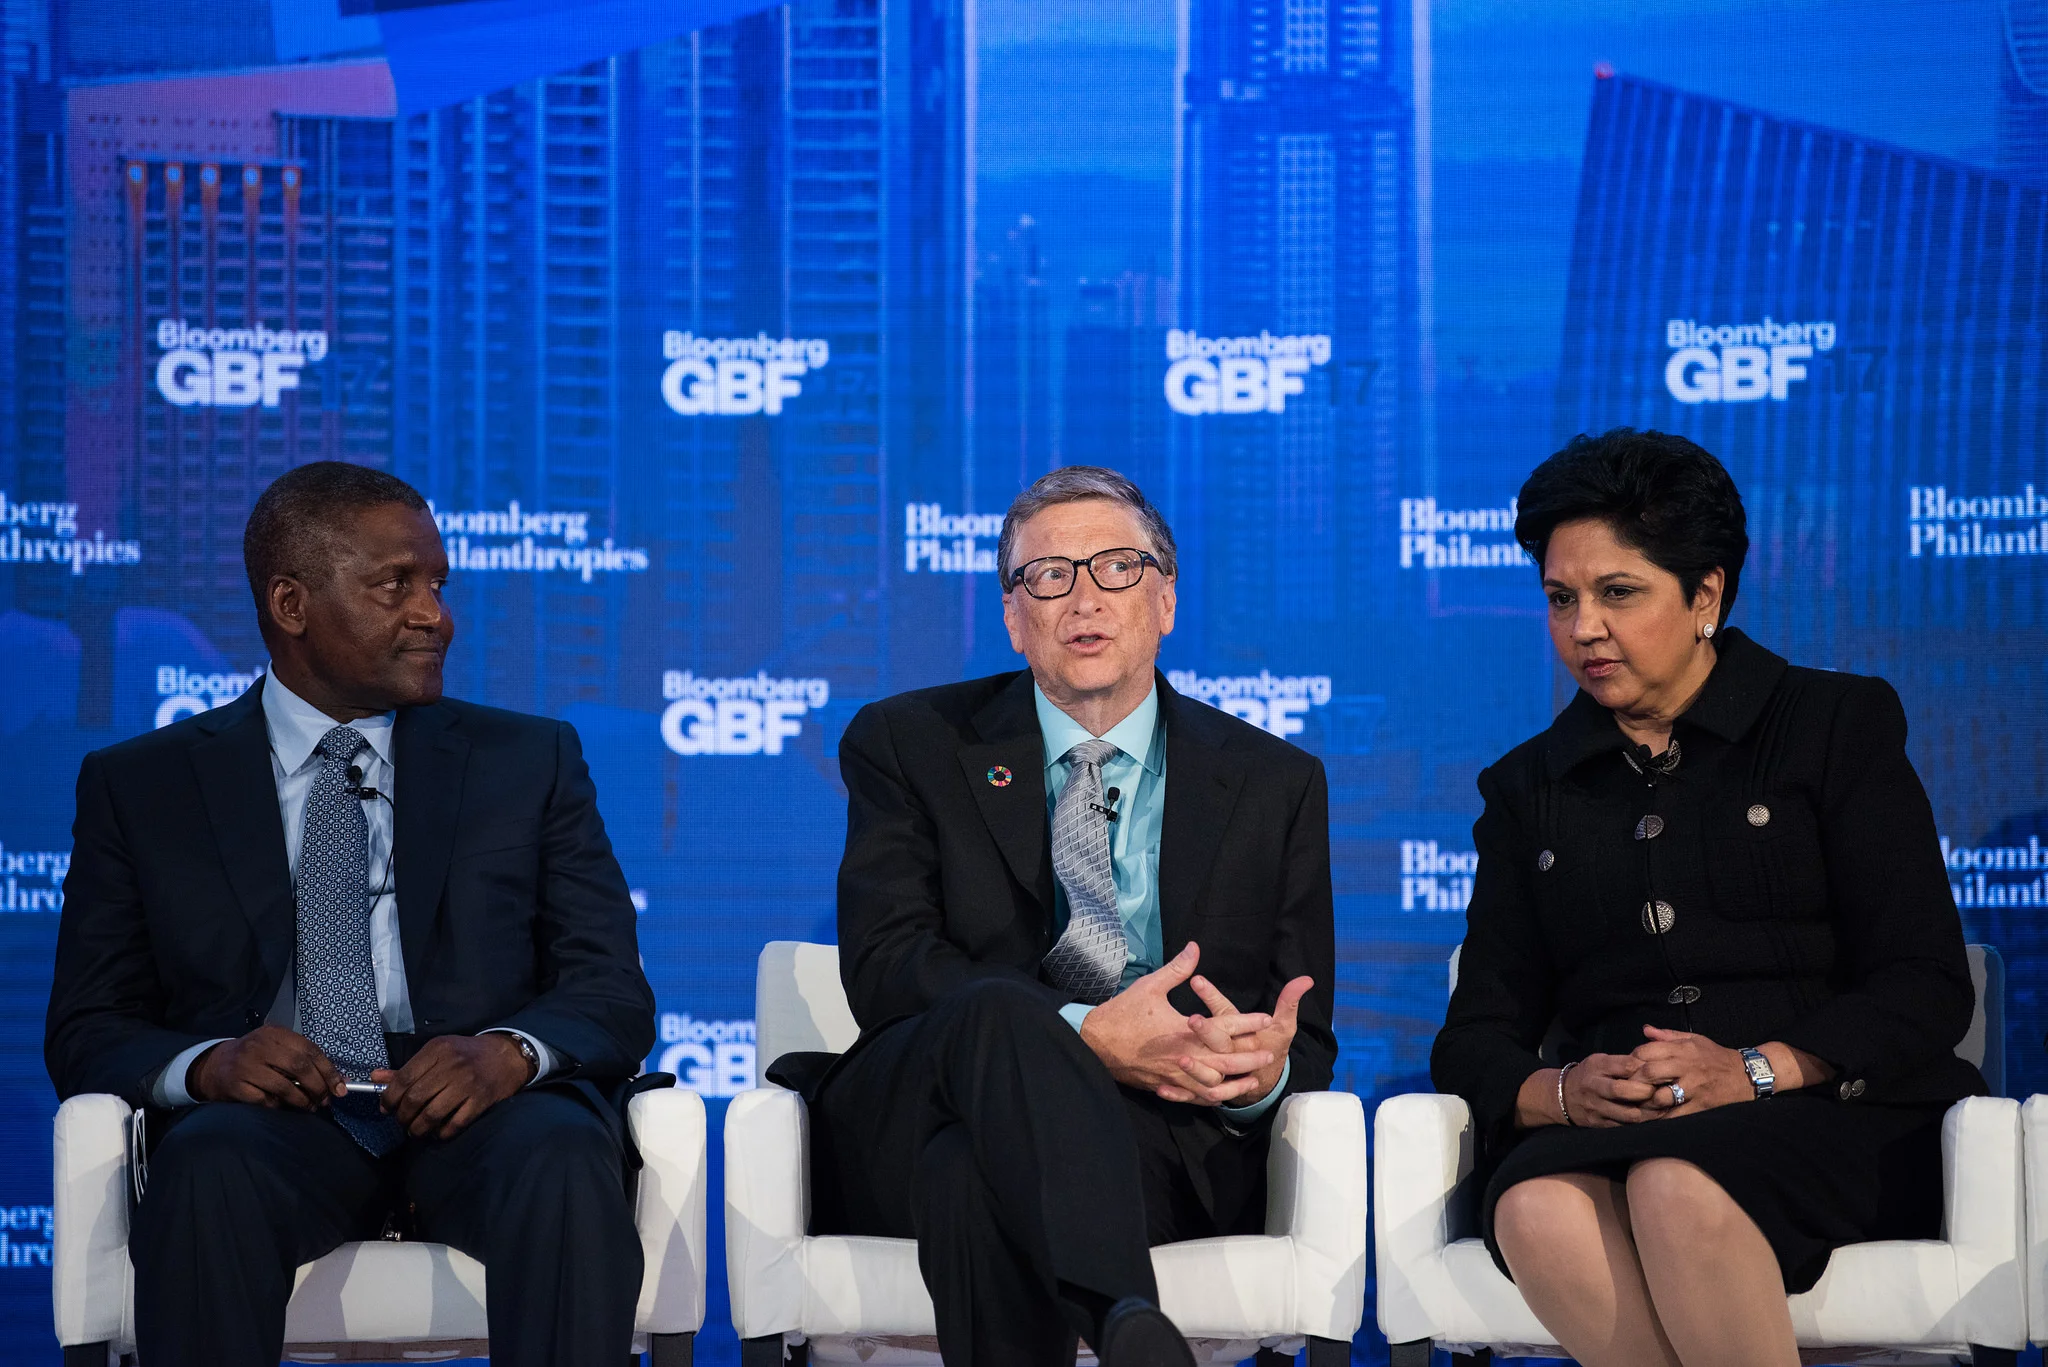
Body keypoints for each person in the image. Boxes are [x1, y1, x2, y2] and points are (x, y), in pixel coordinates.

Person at [45, 462, 656, 1367]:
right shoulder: (145, 785)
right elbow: (88, 1025)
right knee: (206, 1167)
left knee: (565, 1156)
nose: (434, 614)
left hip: (485, 1114)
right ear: (291, 604)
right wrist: (210, 1066)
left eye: (438, 585)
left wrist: (508, 1052)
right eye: (396, 585)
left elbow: (612, 991)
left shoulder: (530, 761)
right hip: (273, 1124)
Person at [1431, 428, 1986, 1367]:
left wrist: (1758, 1067)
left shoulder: (1833, 727)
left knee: (1676, 1185)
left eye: (1618, 593)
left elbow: (1927, 983)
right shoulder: (1529, 789)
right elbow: (1476, 1032)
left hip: (1832, 1116)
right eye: (1561, 599)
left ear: (1706, 596)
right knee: (1530, 1204)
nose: (1583, 630)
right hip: (1620, 1129)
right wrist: (1560, 1090)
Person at [768, 466, 1336, 1367]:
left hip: (1145, 1133)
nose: (1084, 598)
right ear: (1013, 617)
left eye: (1116, 567)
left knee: (969, 1179)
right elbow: (887, 963)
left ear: (1166, 600)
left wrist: (1259, 1074)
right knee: (1000, 1008)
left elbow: (1304, 1034)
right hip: (918, 1098)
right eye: (1049, 575)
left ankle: (1123, 1329)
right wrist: (1081, 1030)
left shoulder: (1275, 784)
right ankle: (1121, 1311)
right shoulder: (909, 742)